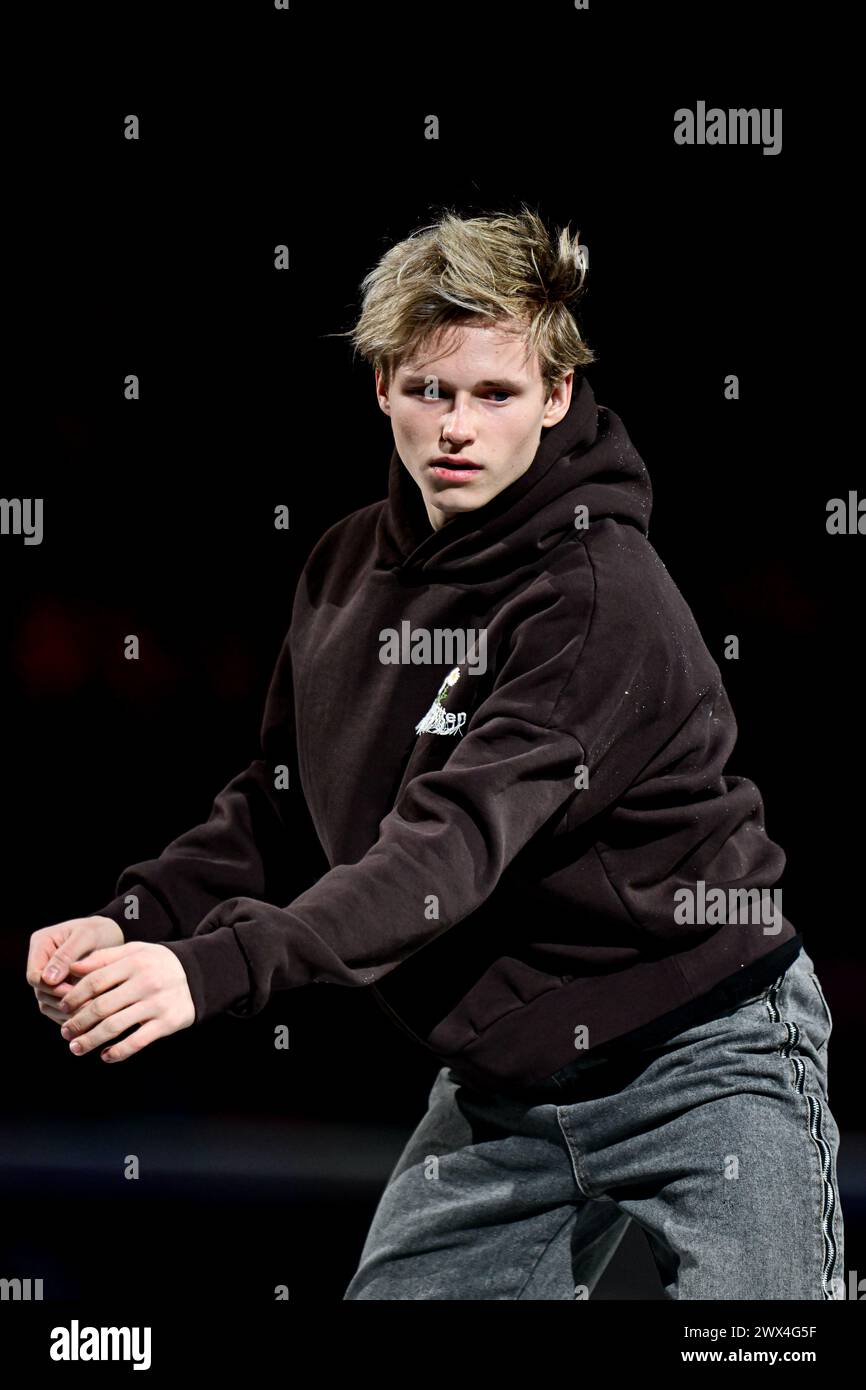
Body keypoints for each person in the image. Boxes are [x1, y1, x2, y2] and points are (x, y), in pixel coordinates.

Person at [27, 205, 843, 1300]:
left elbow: (442, 853)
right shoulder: (341, 569)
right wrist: (140, 920)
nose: (456, 426)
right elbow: (279, 807)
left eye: (495, 394)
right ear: (380, 389)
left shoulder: (597, 595)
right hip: (507, 1088)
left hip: (708, 1056)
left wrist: (211, 969)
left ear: (555, 397)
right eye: (429, 390)